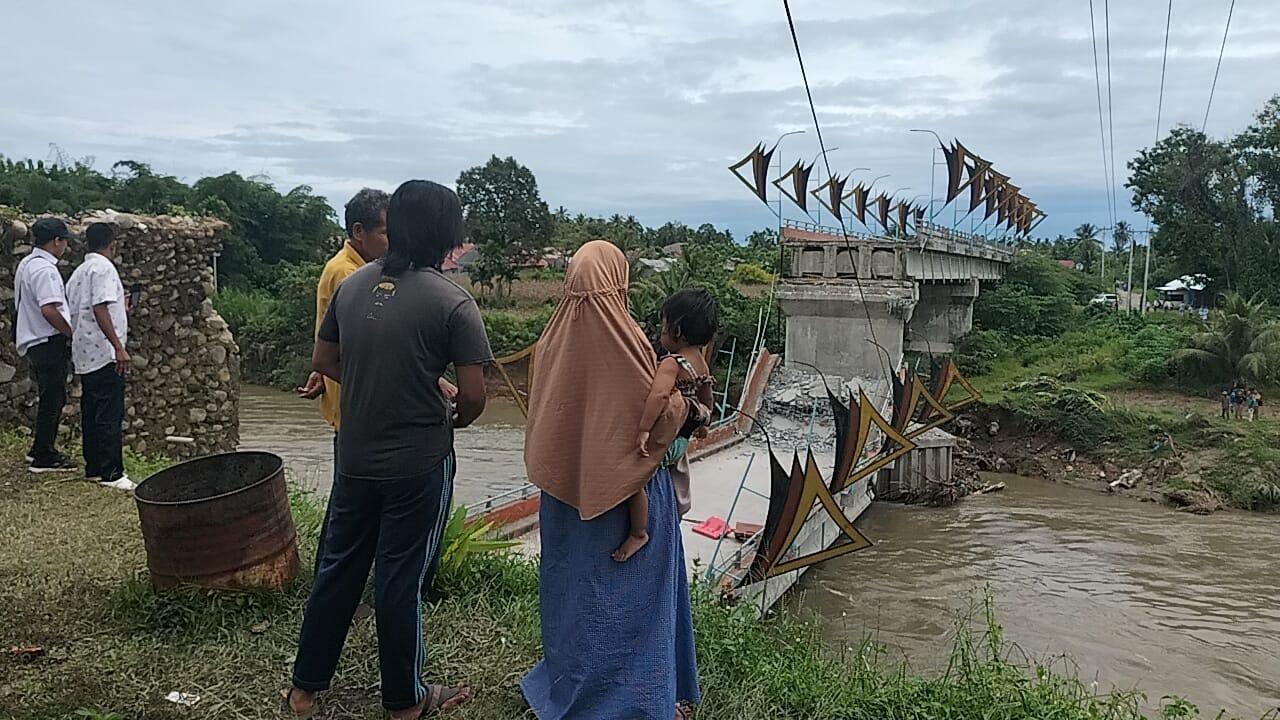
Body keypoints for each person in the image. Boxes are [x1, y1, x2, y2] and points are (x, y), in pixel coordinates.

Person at [286, 180, 489, 719]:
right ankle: (405, 701)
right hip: (417, 463)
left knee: (339, 568)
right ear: (448, 235)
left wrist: (380, 382)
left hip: (354, 454)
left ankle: (304, 691)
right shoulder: (454, 302)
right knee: (400, 579)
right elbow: (473, 399)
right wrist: (445, 409)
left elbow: (325, 361)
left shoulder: (353, 287)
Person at [522, 240, 700, 719]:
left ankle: (570, 695)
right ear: (618, 284)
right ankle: (640, 702)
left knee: (574, 599)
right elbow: (661, 419)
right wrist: (689, 408)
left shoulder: (549, 343)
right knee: (637, 605)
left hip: (564, 497)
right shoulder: (632, 347)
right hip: (628, 499)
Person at [616, 288, 718, 562]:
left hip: (666, 439)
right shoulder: (700, 364)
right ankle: (679, 504)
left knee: (635, 478)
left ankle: (639, 533)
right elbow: (706, 398)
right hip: (682, 440)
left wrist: (643, 429)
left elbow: (659, 396)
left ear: (678, 330)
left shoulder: (672, 363)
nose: (661, 334)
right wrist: (703, 426)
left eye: (663, 327)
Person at [65, 222, 135, 491]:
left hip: (84, 351)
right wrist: (118, 347)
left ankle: (94, 466)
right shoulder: (104, 268)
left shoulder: (79, 272)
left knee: (92, 410)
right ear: (112, 244)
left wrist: (122, 308)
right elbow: (99, 308)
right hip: (104, 351)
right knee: (109, 411)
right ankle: (112, 472)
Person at [13, 217, 76, 473]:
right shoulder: (46, 270)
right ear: (56, 241)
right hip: (47, 339)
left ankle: (39, 448)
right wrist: (70, 332)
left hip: (33, 339)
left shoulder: (27, 263)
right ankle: (44, 454)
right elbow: (49, 309)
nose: (65, 247)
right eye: (64, 241)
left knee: (49, 395)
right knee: (54, 397)